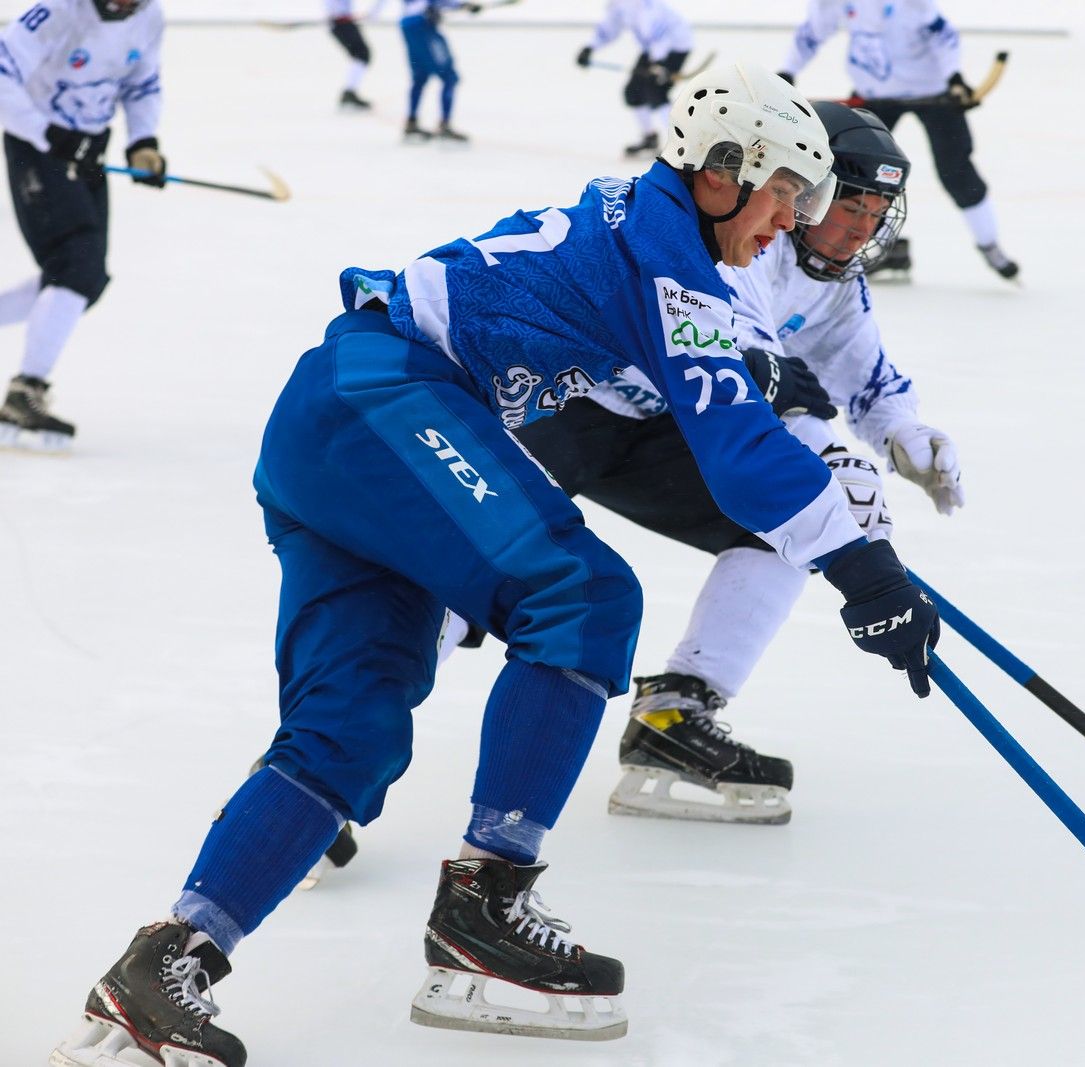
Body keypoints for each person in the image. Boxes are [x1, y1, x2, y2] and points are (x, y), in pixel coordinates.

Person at [47, 64, 939, 1066]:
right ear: (723, 171)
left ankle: (166, 965)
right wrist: (865, 569)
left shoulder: (660, 234)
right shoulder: (668, 254)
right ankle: (487, 903)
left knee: (351, 729)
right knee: (585, 593)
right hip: (382, 397)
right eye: (783, 193)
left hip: (342, 424)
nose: (790, 222)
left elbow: (709, 394)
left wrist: (806, 442)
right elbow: (734, 450)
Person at [490, 101, 962, 825]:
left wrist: (902, 432)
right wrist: (834, 467)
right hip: (563, 406)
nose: (863, 228)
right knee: (466, 588)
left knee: (781, 529)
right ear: (803, 192)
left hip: (658, 430)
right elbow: (747, 391)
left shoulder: (834, 280)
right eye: (851, 205)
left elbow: (859, 375)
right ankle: (326, 765)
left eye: (878, 212)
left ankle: (673, 719)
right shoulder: (748, 242)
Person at [0, 0, 166, 452]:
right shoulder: (57, 11)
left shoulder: (149, 17)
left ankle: (27, 385)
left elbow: (141, 84)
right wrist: (45, 132)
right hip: (37, 145)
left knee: (85, 279)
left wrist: (142, 142)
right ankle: (25, 388)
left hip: (88, 145)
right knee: (76, 261)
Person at [778, 0, 1020, 282]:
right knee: (857, 173)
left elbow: (942, 36)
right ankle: (879, 246)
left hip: (933, 92)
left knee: (956, 171)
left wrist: (953, 77)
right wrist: (788, 71)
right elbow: (814, 31)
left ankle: (989, 243)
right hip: (876, 93)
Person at [575, 0, 693, 158]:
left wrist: (658, 63)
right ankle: (649, 138)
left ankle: (679, 145)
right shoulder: (619, 4)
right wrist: (590, 47)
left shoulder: (648, 5)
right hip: (652, 50)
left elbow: (659, 32)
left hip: (674, 47)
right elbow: (610, 27)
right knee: (633, 93)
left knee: (656, 91)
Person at [398, 0, 479, 142]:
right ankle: (444, 125)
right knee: (449, 77)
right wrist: (463, 6)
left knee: (420, 76)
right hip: (422, 28)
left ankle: (411, 122)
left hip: (410, 26)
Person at [327, 0, 379, 110]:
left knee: (361, 55)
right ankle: (349, 91)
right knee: (362, 55)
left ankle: (350, 90)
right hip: (341, 22)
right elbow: (336, 9)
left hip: (342, 22)